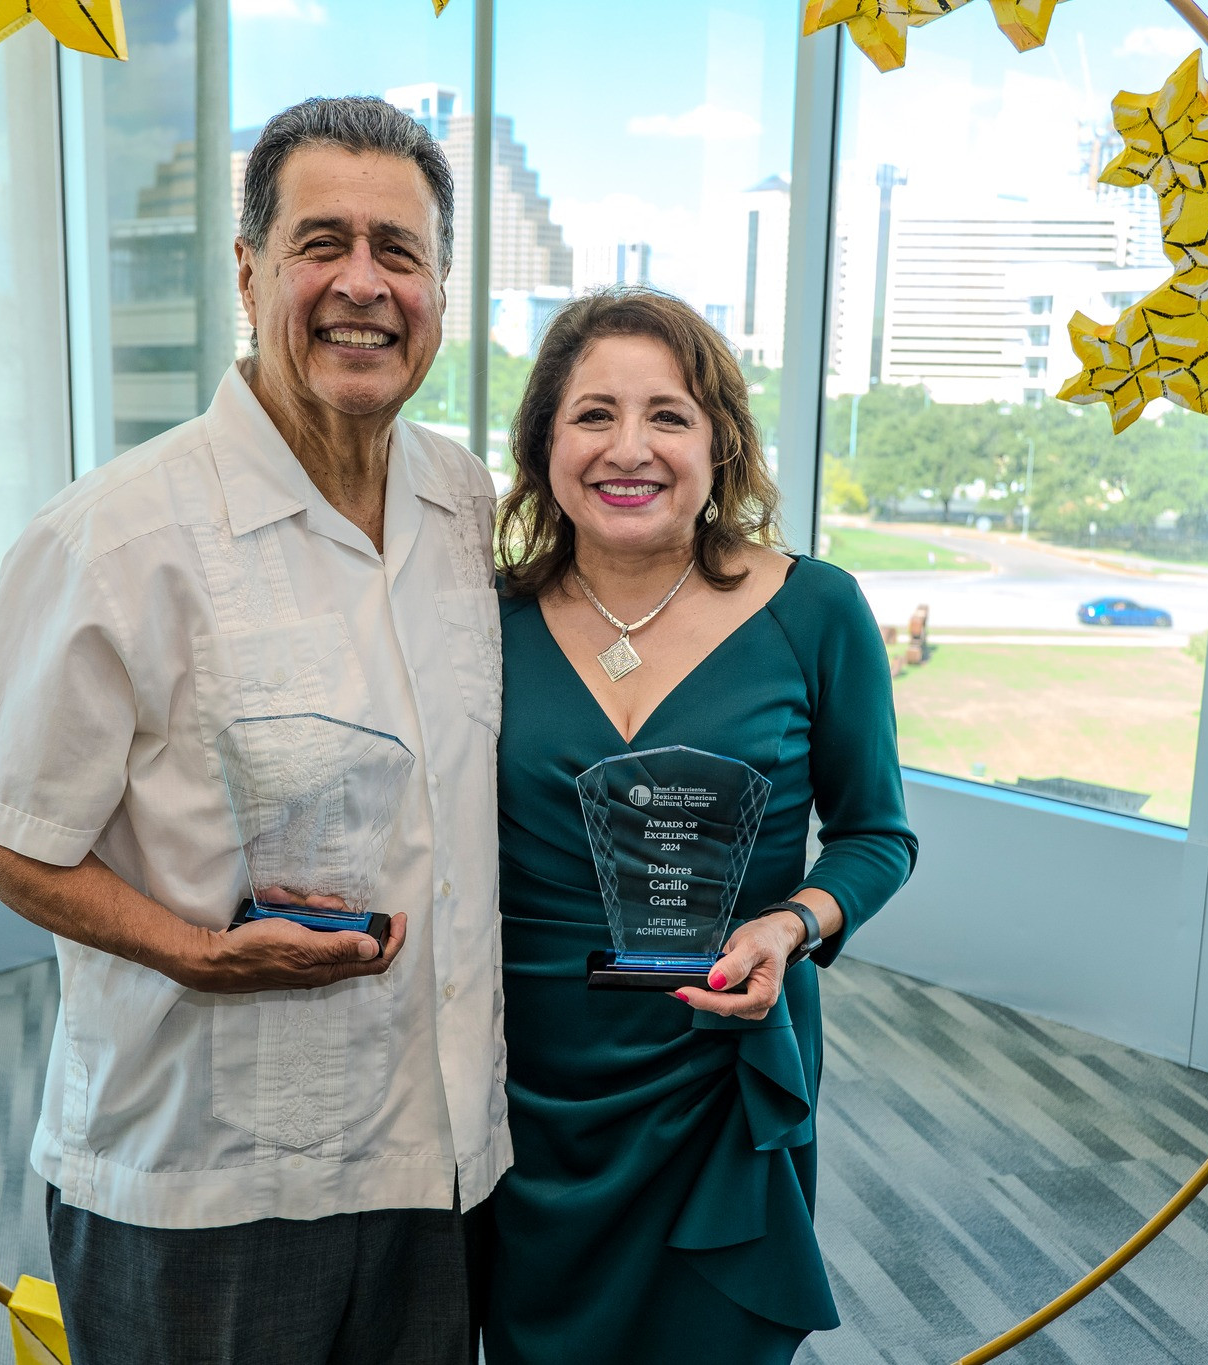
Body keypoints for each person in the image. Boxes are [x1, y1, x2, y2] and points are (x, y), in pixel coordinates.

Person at [0, 96, 508, 1365]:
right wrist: (185, 949)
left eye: (399, 251)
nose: (363, 284)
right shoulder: (116, 535)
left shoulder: (460, 499)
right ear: (248, 274)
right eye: (320, 243)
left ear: (441, 290)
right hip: (209, 1188)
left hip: (444, 1156)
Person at [479, 290, 917, 1364]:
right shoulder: (478, 616)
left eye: (666, 415)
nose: (628, 448)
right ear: (542, 445)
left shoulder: (814, 610)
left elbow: (876, 835)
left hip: (717, 1058)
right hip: (525, 1073)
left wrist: (793, 926)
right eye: (592, 415)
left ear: (719, 441)